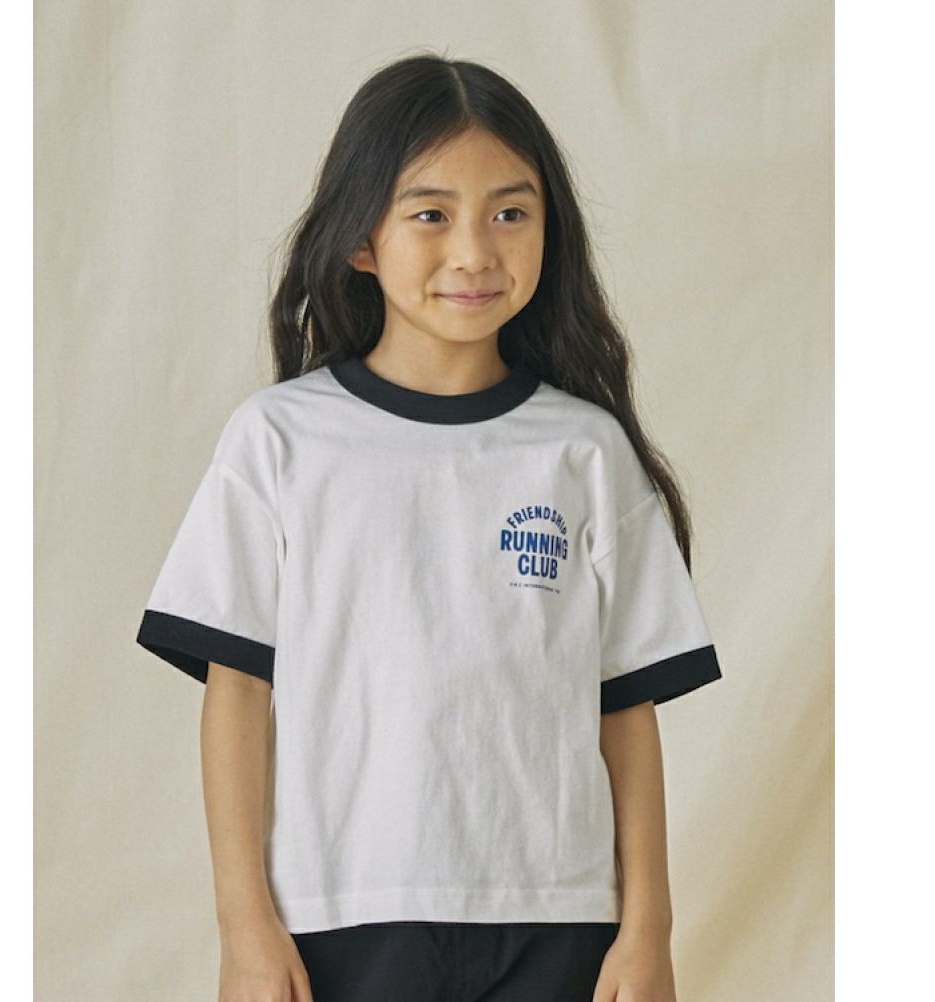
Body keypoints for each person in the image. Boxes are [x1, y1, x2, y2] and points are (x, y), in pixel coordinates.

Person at [136, 51, 723, 1002]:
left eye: (510, 213)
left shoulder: (584, 451)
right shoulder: (279, 441)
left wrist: (647, 929)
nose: (475, 252)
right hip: (340, 917)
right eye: (430, 214)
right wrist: (245, 927)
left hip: (560, 918)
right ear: (361, 239)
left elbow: (625, 709)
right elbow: (237, 691)